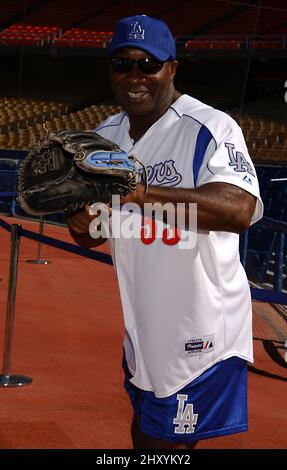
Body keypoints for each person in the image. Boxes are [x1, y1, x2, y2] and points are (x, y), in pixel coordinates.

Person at [67, 15, 263, 449]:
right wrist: (82, 221)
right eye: (122, 64)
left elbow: (239, 210)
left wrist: (141, 193)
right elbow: (92, 233)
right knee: (145, 431)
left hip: (201, 328)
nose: (134, 76)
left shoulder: (208, 127)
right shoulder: (102, 138)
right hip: (142, 323)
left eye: (147, 64)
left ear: (171, 68)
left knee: (165, 444)